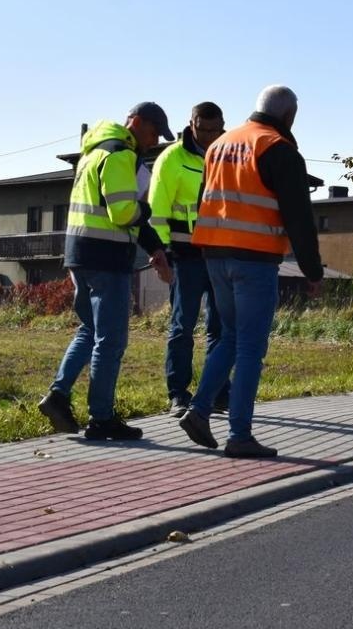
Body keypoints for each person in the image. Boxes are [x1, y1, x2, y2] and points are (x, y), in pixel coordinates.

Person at [178, 85, 322, 459]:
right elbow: (299, 217)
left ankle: (197, 410)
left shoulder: (221, 145)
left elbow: (202, 201)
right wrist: (312, 270)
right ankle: (239, 435)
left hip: (214, 254)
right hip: (254, 259)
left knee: (229, 336)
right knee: (250, 347)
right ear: (290, 116)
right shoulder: (278, 148)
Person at [38, 103, 175, 441]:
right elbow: (123, 212)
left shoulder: (94, 152)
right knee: (110, 341)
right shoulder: (120, 155)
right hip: (106, 259)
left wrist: (155, 247)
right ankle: (101, 418)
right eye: (154, 132)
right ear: (137, 123)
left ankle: (58, 396)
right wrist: (147, 208)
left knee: (90, 331)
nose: (154, 141)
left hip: (80, 255)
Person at [150, 101, 228, 417]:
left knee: (221, 329)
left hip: (220, 255)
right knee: (183, 327)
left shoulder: (227, 154)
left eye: (217, 130)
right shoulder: (172, 158)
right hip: (184, 256)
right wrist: (163, 253)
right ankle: (178, 394)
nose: (210, 136)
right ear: (192, 124)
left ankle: (218, 392)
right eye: (204, 129)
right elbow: (157, 209)